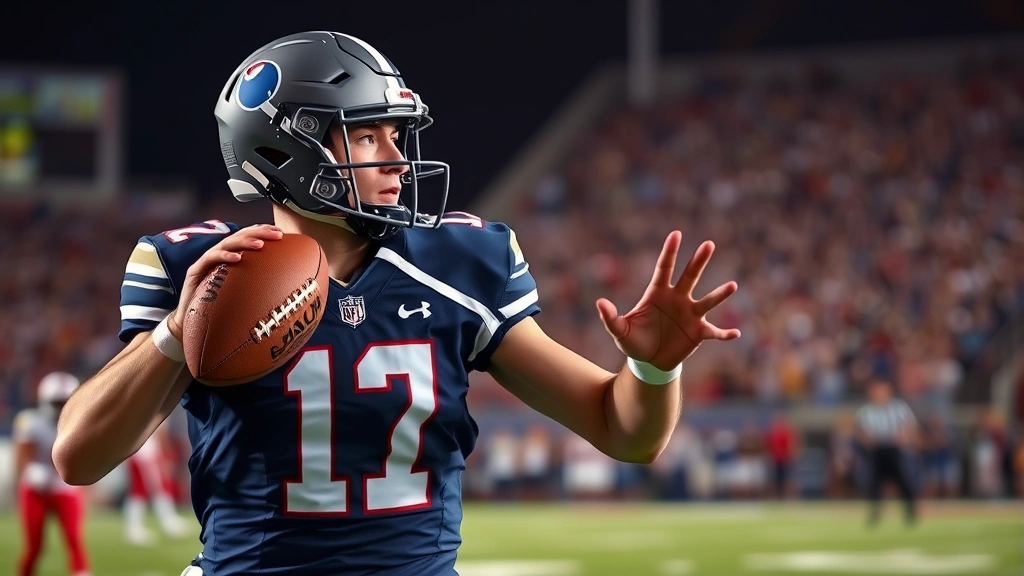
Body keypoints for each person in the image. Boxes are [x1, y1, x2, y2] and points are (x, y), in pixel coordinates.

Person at [52, 31, 741, 575]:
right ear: (286, 147)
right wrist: (179, 329)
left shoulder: (459, 263)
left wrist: (653, 371)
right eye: (367, 135)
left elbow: (625, 430)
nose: (397, 159)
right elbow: (78, 457)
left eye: (395, 135)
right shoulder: (196, 270)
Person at [14, 372, 91, 576]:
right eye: (57, 402)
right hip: (35, 488)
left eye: (65, 401)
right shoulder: (29, 421)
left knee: (75, 540)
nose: (61, 407)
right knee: (34, 546)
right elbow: (21, 456)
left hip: (64, 486)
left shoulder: (82, 423)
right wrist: (29, 471)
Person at [855, 379, 919, 527]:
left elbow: (910, 426)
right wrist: (867, 439)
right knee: (875, 483)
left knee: (904, 480)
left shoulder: (899, 408)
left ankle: (910, 511)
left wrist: (904, 436)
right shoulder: (866, 411)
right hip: (877, 451)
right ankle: (875, 513)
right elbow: (861, 432)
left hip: (895, 450)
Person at [123, 419, 190, 545]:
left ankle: (166, 521)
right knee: (146, 489)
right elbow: (159, 429)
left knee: (147, 489)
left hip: (141, 451)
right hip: (145, 452)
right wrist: (165, 452)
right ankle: (138, 528)